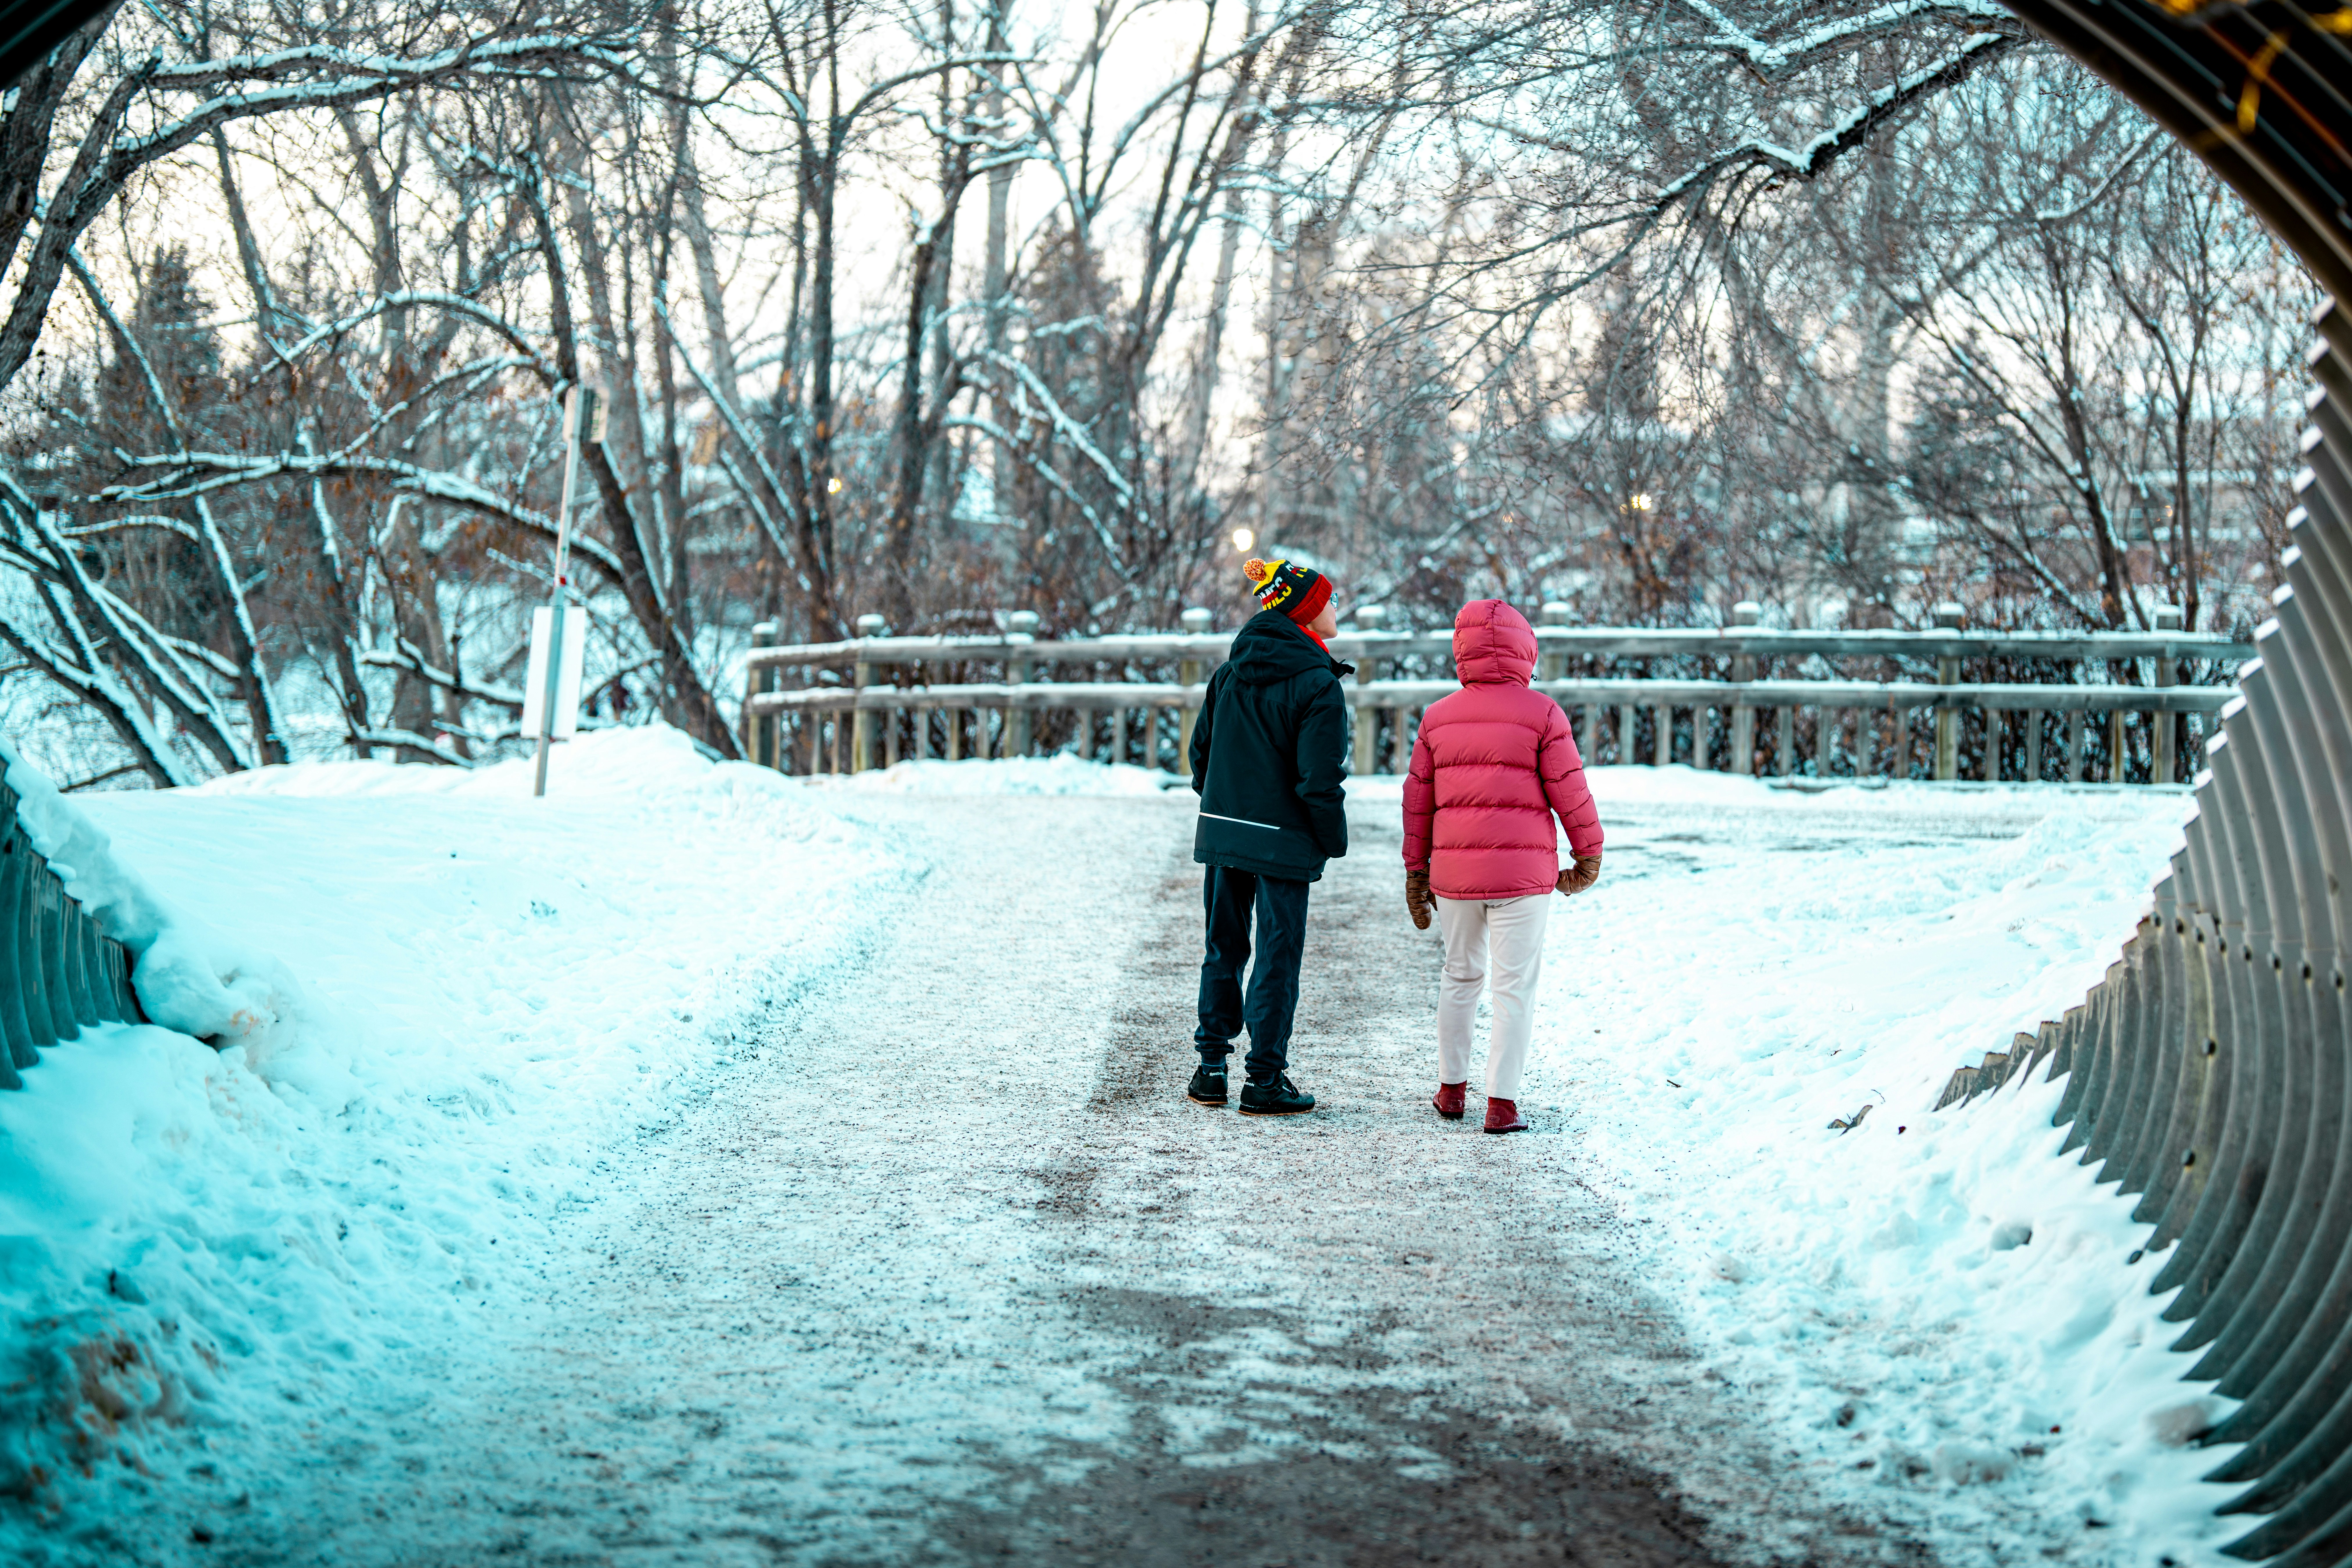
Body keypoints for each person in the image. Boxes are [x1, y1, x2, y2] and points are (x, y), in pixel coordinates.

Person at [1400, 599, 1603, 1134]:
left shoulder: (1437, 716)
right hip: (1523, 876)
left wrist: (1415, 871)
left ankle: (1450, 1090)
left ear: (1461, 652)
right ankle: (1502, 1104)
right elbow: (1570, 790)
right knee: (1514, 986)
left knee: (1459, 975)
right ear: (1524, 649)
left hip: (1455, 876)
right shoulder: (1543, 713)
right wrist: (1588, 852)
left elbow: (1418, 800)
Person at [1186, 556, 1352, 1117]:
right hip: (1283, 839)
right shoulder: (1318, 683)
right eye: (1328, 600)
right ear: (1304, 611)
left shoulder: (1229, 673)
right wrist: (1332, 839)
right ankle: (1264, 1078)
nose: (1335, 608)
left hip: (1226, 830)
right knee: (1277, 954)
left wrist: (1226, 805)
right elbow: (1319, 781)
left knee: (1223, 947)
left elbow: (1199, 755)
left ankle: (1210, 1069)